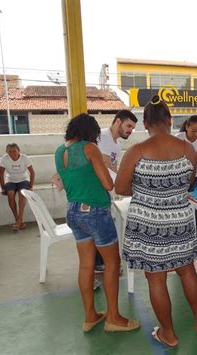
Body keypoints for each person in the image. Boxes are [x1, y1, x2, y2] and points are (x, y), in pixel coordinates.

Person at [116, 96, 197, 347]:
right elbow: (189, 181)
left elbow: (121, 187)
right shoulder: (187, 149)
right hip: (180, 217)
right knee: (187, 270)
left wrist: (146, 190)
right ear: (170, 121)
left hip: (147, 222)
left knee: (156, 278)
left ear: (145, 123)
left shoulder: (136, 151)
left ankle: (168, 334)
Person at [55, 113, 139, 333]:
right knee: (112, 263)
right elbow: (108, 184)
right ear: (89, 133)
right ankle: (113, 318)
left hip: (73, 211)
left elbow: (73, 179)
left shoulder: (60, 151)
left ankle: (90, 315)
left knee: (86, 265)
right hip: (94, 211)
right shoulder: (89, 149)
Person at [93, 110, 138, 285]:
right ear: (117, 122)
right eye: (128, 126)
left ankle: (100, 263)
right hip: (95, 189)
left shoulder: (117, 145)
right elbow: (105, 164)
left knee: (103, 226)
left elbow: (115, 167)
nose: (130, 131)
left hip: (105, 189)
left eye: (133, 128)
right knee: (100, 228)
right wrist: (125, 184)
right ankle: (100, 264)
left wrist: (125, 182)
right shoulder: (102, 136)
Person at [0, 143, 35, 231]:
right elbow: (1, 174)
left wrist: (31, 185)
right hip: (10, 180)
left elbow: (32, 172)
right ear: (6, 152)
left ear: (19, 151)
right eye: (9, 151)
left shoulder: (24, 158)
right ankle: (18, 220)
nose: (12, 153)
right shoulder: (4, 158)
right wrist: (3, 187)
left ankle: (19, 221)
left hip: (23, 179)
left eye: (14, 151)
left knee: (21, 193)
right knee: (10, 194)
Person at [177, 115, 197, 191]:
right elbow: (175, 157)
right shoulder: (178, 138)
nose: (196, 134)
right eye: (193, 131)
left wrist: (188, 155)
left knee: (195, 199)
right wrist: (196, 156)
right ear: (186, 127)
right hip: (181, 177)